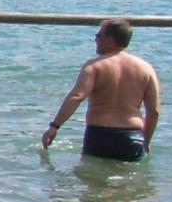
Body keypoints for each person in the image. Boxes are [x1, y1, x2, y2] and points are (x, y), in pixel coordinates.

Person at [40, 18, 159, 161]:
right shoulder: (146, 69)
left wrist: (54, 126)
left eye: (98, 36)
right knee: (131, 175)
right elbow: (154, 111)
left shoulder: (95, 66)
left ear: (110, 40)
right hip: (132, 137)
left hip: (99, 135)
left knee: (93, 175)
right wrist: (146, 141)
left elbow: (77, 96)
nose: (95, 39)